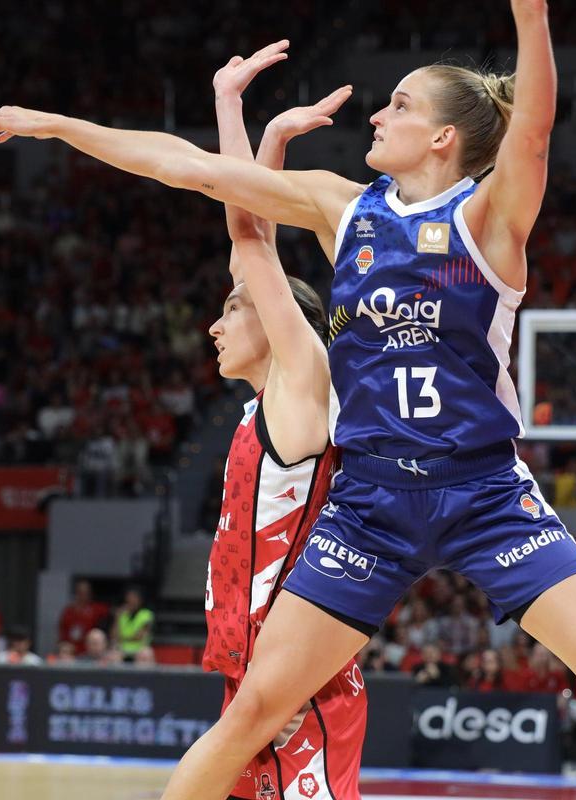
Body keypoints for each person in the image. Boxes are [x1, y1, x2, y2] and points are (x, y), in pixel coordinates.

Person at [0, 3, 576, 796]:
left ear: (443, 138)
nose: (377, 115)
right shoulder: (343, 208)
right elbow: (193, 169)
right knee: (251, 711)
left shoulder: (488, 218)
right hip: (370, 503)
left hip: (484, 491)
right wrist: (57, 125)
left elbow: (535, 131)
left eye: (401, 105)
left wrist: (531, 15)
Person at [202, 46, 367, 800]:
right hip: (251, 672)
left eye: (233, 307)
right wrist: (240, 113)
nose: (215, 324)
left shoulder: (303, 383)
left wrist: (244, 122)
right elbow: (249, 243)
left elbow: (251, 240)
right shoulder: (261, 405)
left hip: (300, 679)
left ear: (280, 320)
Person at [58, 579, 109, 655]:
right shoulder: (68, 612)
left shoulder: (96, 608)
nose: (83, 596)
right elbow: (62, 634)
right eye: (80, 592)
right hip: (72, 652)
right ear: (76, 594)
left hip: (89, 651)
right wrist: (64, 644)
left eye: (86, 593)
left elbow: (111, 611)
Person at [112, 587, 153, 662]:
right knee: (113, 655)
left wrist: (121, 638)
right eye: (129, 600)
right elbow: (114, 636)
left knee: (146, 653)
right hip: (122, 650)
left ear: (140, 600)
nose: (131, 602)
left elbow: (138, 637)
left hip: (139, 649)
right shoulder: (122, 615)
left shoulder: (146, 614)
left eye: (134, 599)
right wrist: (117, 618)